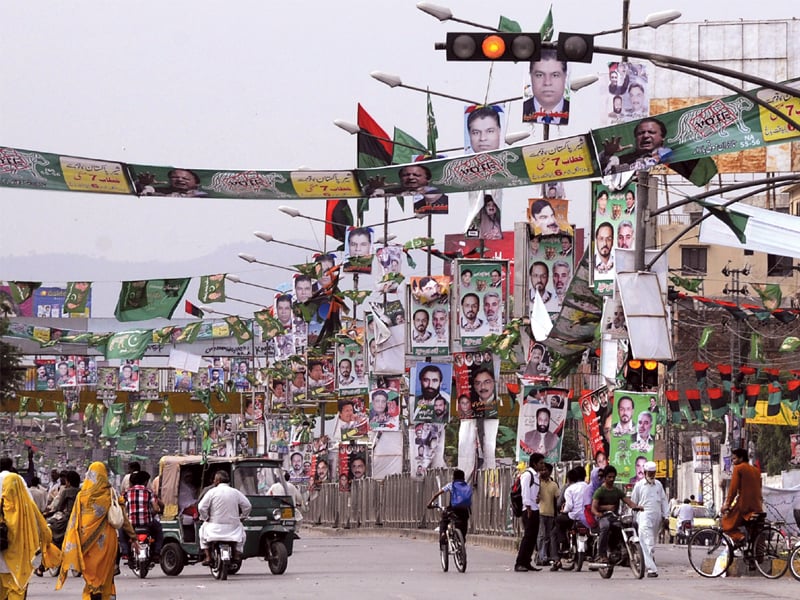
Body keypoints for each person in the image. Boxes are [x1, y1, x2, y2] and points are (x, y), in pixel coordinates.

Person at [56, 462, 138, 600]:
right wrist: (133, 537)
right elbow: (123, 518)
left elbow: (74, 520)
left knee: (91, 575)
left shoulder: (82, 496)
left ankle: (94, 593)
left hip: (86, 542)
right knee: (105, 574)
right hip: (107, 543)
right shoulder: (110, 493)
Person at [1, 471, 61, 599]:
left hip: (2, 559)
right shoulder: (28, 506)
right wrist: (47, 541)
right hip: (21, 559)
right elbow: (43, 528)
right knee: (18, 589)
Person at [198, 470, 252, 565]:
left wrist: (206, 517)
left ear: (218, 480)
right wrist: (243, 517)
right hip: (233, 528)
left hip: (214, 528)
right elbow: (248, 506)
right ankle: (236, 554)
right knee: (242, 535)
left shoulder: (212, 492)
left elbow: (201, 507)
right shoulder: (235, 492)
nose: (214, 481)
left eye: (215, 479)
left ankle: (208, 557)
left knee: (201, 531)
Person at [591, 465, 643, 563]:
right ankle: (602, 554)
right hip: (603, 517)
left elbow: (628, 501)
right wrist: (599, 512)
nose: (611, 479)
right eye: (609, 477)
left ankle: (626, 550)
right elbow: (594, 508)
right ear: (605, 478)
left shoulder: (617, 491)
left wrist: (636, 506)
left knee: (631, 524)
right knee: (605, 527)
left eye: (613, 477)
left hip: (614, 517)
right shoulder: (600, 491)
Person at [630, 461, 669, 577]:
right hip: (644, 515)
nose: (652, 475)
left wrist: (666, 516)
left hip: (657, 517)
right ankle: (652, 569)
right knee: (648, 542)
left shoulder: (658, 485)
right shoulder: (639, 485)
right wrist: (632, 516)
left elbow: (663, 501)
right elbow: (633, 502)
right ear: (645, 472)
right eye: (650, 473)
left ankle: (648, 561)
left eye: (653, 473)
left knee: (650, 543)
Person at [119, 471, 164, 567]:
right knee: (159, 530)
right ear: (145, 482)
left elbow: (121, 506)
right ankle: (156, 552)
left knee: (122, 531)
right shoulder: (149, 492)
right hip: (147, 523)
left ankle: (125, 552)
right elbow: (156, 508)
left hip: (131, 524)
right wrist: (151, 514)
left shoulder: (126, 493)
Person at [600, 117, 673, 175]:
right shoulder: (621, 160)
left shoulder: (672, 158)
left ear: (662, 137)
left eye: (651, 132)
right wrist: (607, 154)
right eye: (641, 133)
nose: (645, 135)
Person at [721, 447, 763, 543]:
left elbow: (733, 489)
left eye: (734, 458)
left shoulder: (738, 468)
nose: (732, 461)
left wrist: (727, 504)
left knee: (726, 523)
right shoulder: (756, 470)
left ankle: (740, 537)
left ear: (741, 458)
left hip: (744, 505)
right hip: (757, 506)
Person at [551, 466, 588, 570]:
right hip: (587, 517)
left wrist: (563, 510)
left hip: (572, 517)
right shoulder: (589, 487)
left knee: (555, 528)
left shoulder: (569, 488)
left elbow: (566, 506)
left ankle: (557, 557)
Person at [514, 453, 545, 572]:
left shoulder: (536, 476)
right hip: (529, 510)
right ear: (534, 463)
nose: (542, 465)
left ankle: (527, 561)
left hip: (535, 508)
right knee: (528, 537)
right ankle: (519, 562)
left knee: (532, 538)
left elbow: (533, 492)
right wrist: (528, 507)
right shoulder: (527, 475)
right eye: (541, 463)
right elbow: (525, 493)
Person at [428, 469, 472, 551]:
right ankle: (462, 542)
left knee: (444, 519)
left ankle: (443, 534)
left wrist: (429, 503)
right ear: (463, 478)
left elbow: (437, 494)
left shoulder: (451, 485)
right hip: (465, 511)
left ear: (454, 477)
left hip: (453, 510)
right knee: (463, 526)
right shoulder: (467, 486)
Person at [523, 49, 569, 124]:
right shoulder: (519, 111)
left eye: (555, 75)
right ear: (530, 76)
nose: (547, 82)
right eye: (539, 75)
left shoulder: (578, 115)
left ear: (565, 76)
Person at [537, 462, 559, 567]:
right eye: (541, 470)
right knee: (541, 536)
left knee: (547, 537)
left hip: (550, 513)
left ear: (550, 472)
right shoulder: (537, 483)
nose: (543, 472)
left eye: (545, 470)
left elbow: (558, 498)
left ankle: (542, 556)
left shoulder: (554, 484)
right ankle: (542, 557)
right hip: (540, 513)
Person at [139, 168, 208, 197]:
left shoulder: (201, 195)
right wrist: (143, 184)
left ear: (196, 183)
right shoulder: (157, 190)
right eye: (174, 177)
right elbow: (143, 191)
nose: (180, 180)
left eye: (185, 178)